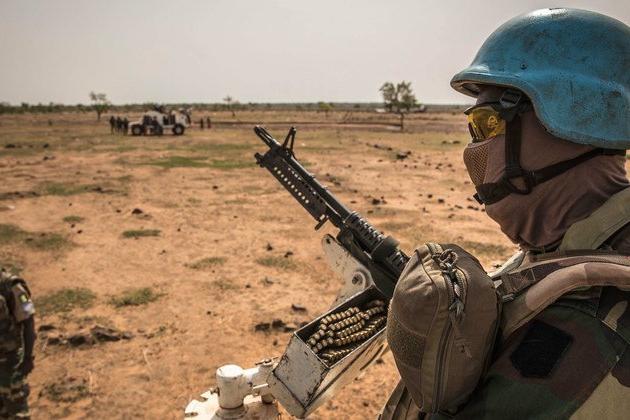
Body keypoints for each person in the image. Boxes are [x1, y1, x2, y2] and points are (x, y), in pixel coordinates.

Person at [381, 8, 630, 419]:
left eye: (487, 124)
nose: (473, 150)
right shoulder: (571, 250)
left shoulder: (586, 326)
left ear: (567, 119)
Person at [0, 268, 36, 419]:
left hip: (10, 362)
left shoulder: (13, 286)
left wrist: (28, 357)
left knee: (18, 412)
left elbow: (29, 321)